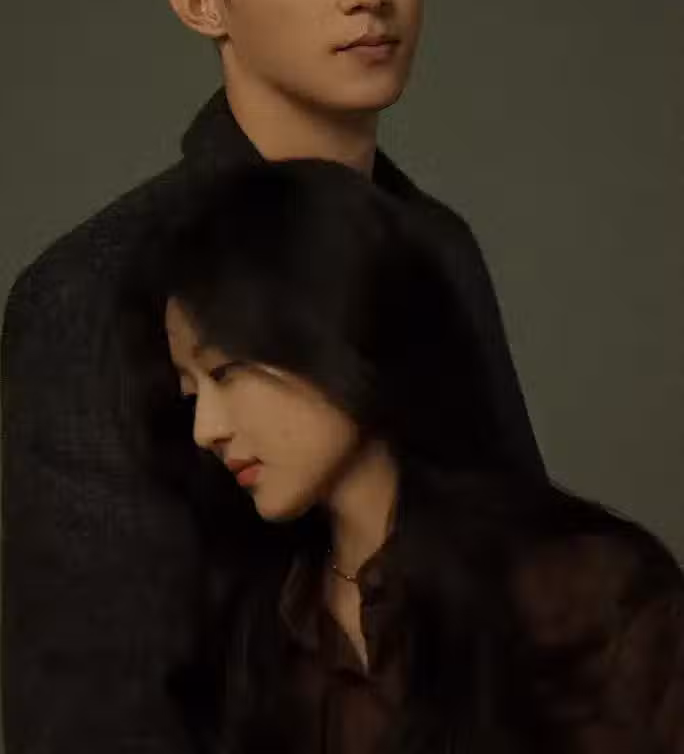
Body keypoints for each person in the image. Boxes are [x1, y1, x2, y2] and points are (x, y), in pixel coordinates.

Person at [1, 0, 543, 754]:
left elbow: (529, 590)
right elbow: (91, 713)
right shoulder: (96, 289)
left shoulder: (435, 245)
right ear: (201, 0)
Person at [126, 157, 684, 754]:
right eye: (191, 394)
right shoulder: (257, 642)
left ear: (334, 324)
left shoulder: (587, 596)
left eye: (225, 372)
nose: (205, 429)